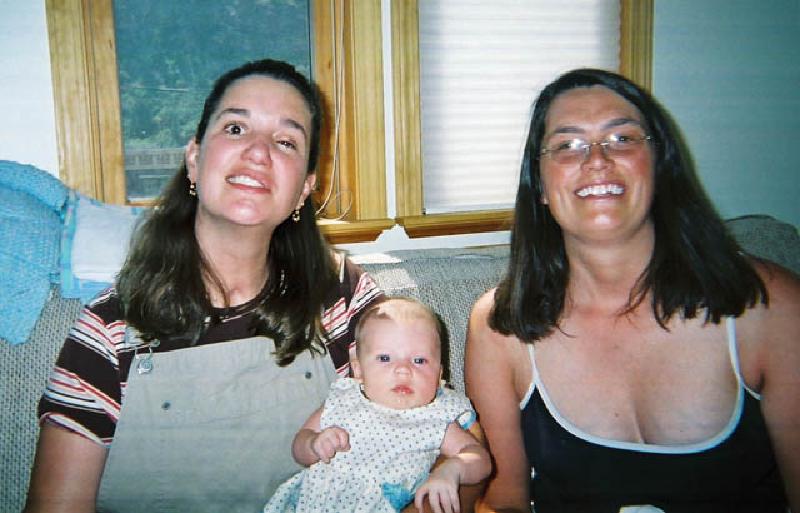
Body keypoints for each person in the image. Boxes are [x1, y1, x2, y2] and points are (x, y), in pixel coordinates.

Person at [24, 58, 384, 513]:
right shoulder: (110, 327)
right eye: (235, 129)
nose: (259, 152)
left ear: (304, 189)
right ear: (194, 160)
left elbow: (433, 436)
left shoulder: (341, 294)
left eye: (286, 141)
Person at [465, 68, 799, 513]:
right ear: (540, 186)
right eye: (567, 145)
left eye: (622, 138)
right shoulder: (499, 327)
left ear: (660, 166)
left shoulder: (771, 305)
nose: (597, 160)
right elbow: (505, 501)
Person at [265, 297, 491, 513]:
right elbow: (300, 444)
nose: (403, 370)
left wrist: (452, 470)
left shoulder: (435, 419)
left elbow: (480, 459)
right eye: (384, 358)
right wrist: (313, 444)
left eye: (419, 360)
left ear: (439, 374)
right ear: (358, 370)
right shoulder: (343, 401)